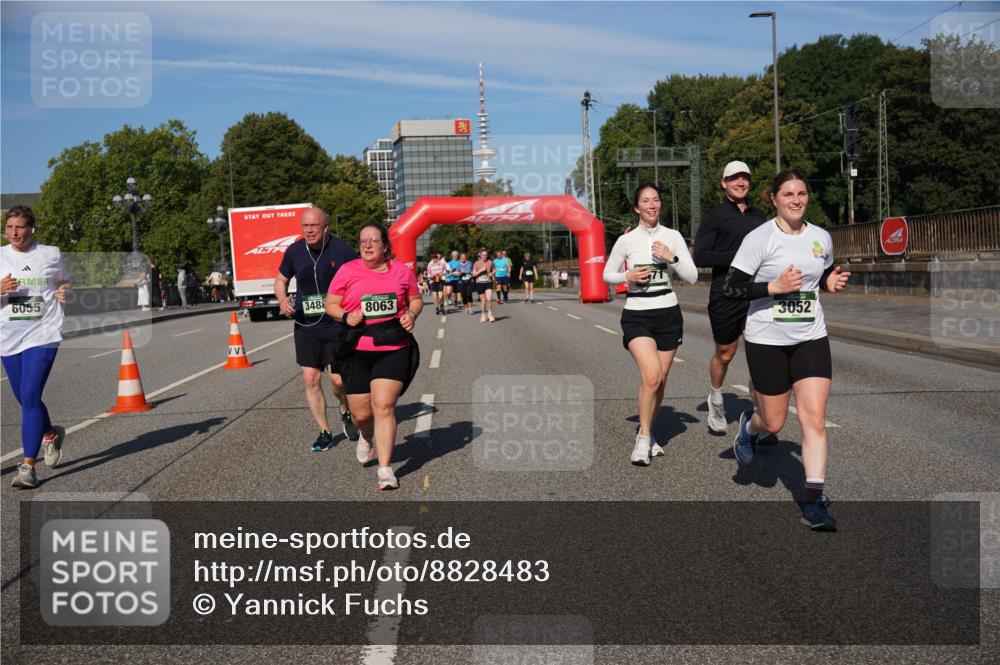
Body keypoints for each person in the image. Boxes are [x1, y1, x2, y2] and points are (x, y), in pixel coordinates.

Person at [724, 170, 851, 531]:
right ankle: (750, 426)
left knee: (813, 419)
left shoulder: (821, 236)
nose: (796, 200)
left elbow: (821, 274)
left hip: (811, 336)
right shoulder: (759, 238)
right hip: (767, 340)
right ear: (774, 198)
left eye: (802, 193)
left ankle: (813, 501)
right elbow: (731, 287)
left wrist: (831, 282)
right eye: (788, 194)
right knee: (775, 422)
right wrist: (773, 287)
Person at [603, 183, 698, 466]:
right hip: (637, 314)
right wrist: (627, 277)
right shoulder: (626, 240)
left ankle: (649, 432)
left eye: (656, 199)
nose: (652, 205)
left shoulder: (673, 236)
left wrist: (673, 258)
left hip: (668, 313)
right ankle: (643, 439)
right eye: (646, 201)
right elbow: (607, 273)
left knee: (661, 380)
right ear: (637, 208)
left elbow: (692, 276)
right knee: (652, 376)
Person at [326, 223, 422, 491]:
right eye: (363, 241)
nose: (367, 246)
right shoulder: (348, 271)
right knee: (361, 414)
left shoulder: (401, 272)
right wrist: (346, 315)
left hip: (392, 347)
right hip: (356, 348)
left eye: (373, 241)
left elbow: (415, 299)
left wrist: (411, 314)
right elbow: (330, 304)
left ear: (385, 246)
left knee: (384, 405)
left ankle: (385, 469)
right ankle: (366, 436)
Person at [693, 160, 768, 434]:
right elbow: (700, 256)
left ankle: (763, 417)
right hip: (725, 293)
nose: (740, 182)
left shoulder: (759, 217)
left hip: (757, 294)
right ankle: (715, 397)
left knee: (760, 355)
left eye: (744, 178)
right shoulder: (715, 216)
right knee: (725, 353)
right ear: (723, 183)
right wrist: (739, 258)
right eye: (734, 178)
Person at [275, 208, 360, 452]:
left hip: (336, 323)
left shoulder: (341, 249)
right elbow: (280, 280)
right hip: (306, 325)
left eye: (314, 226)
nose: (309, 230)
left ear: (326, 227)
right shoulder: (294, 251)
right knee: (310, 378)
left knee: (337, 380)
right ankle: (324, 431)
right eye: (305, 226)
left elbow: (357, 278)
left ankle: (345, 409)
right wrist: (282, 300)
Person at [1, 206, 71, 489]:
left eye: (19, 227)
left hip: (43, 331)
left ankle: (28, 467)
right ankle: (50, 433)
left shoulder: (50, 253)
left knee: (30, 395)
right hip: (8, 335)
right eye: (9, 227)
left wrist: (64, 290)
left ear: (32, 229)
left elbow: (64, 280)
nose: (14, 232)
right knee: (23, 397)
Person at [472, 248, 496, 323]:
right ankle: (483, 315)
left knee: (489, 299)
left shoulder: (490, 262)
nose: (484, 256)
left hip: (488, 282)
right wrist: (480, 270)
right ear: (480, 255)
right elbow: (474, 274)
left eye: (485, 255)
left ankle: (490, 314)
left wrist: (492, 273)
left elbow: (494, 269)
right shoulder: (476, 263)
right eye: (483, 255)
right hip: (480, 283)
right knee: (483, 301)